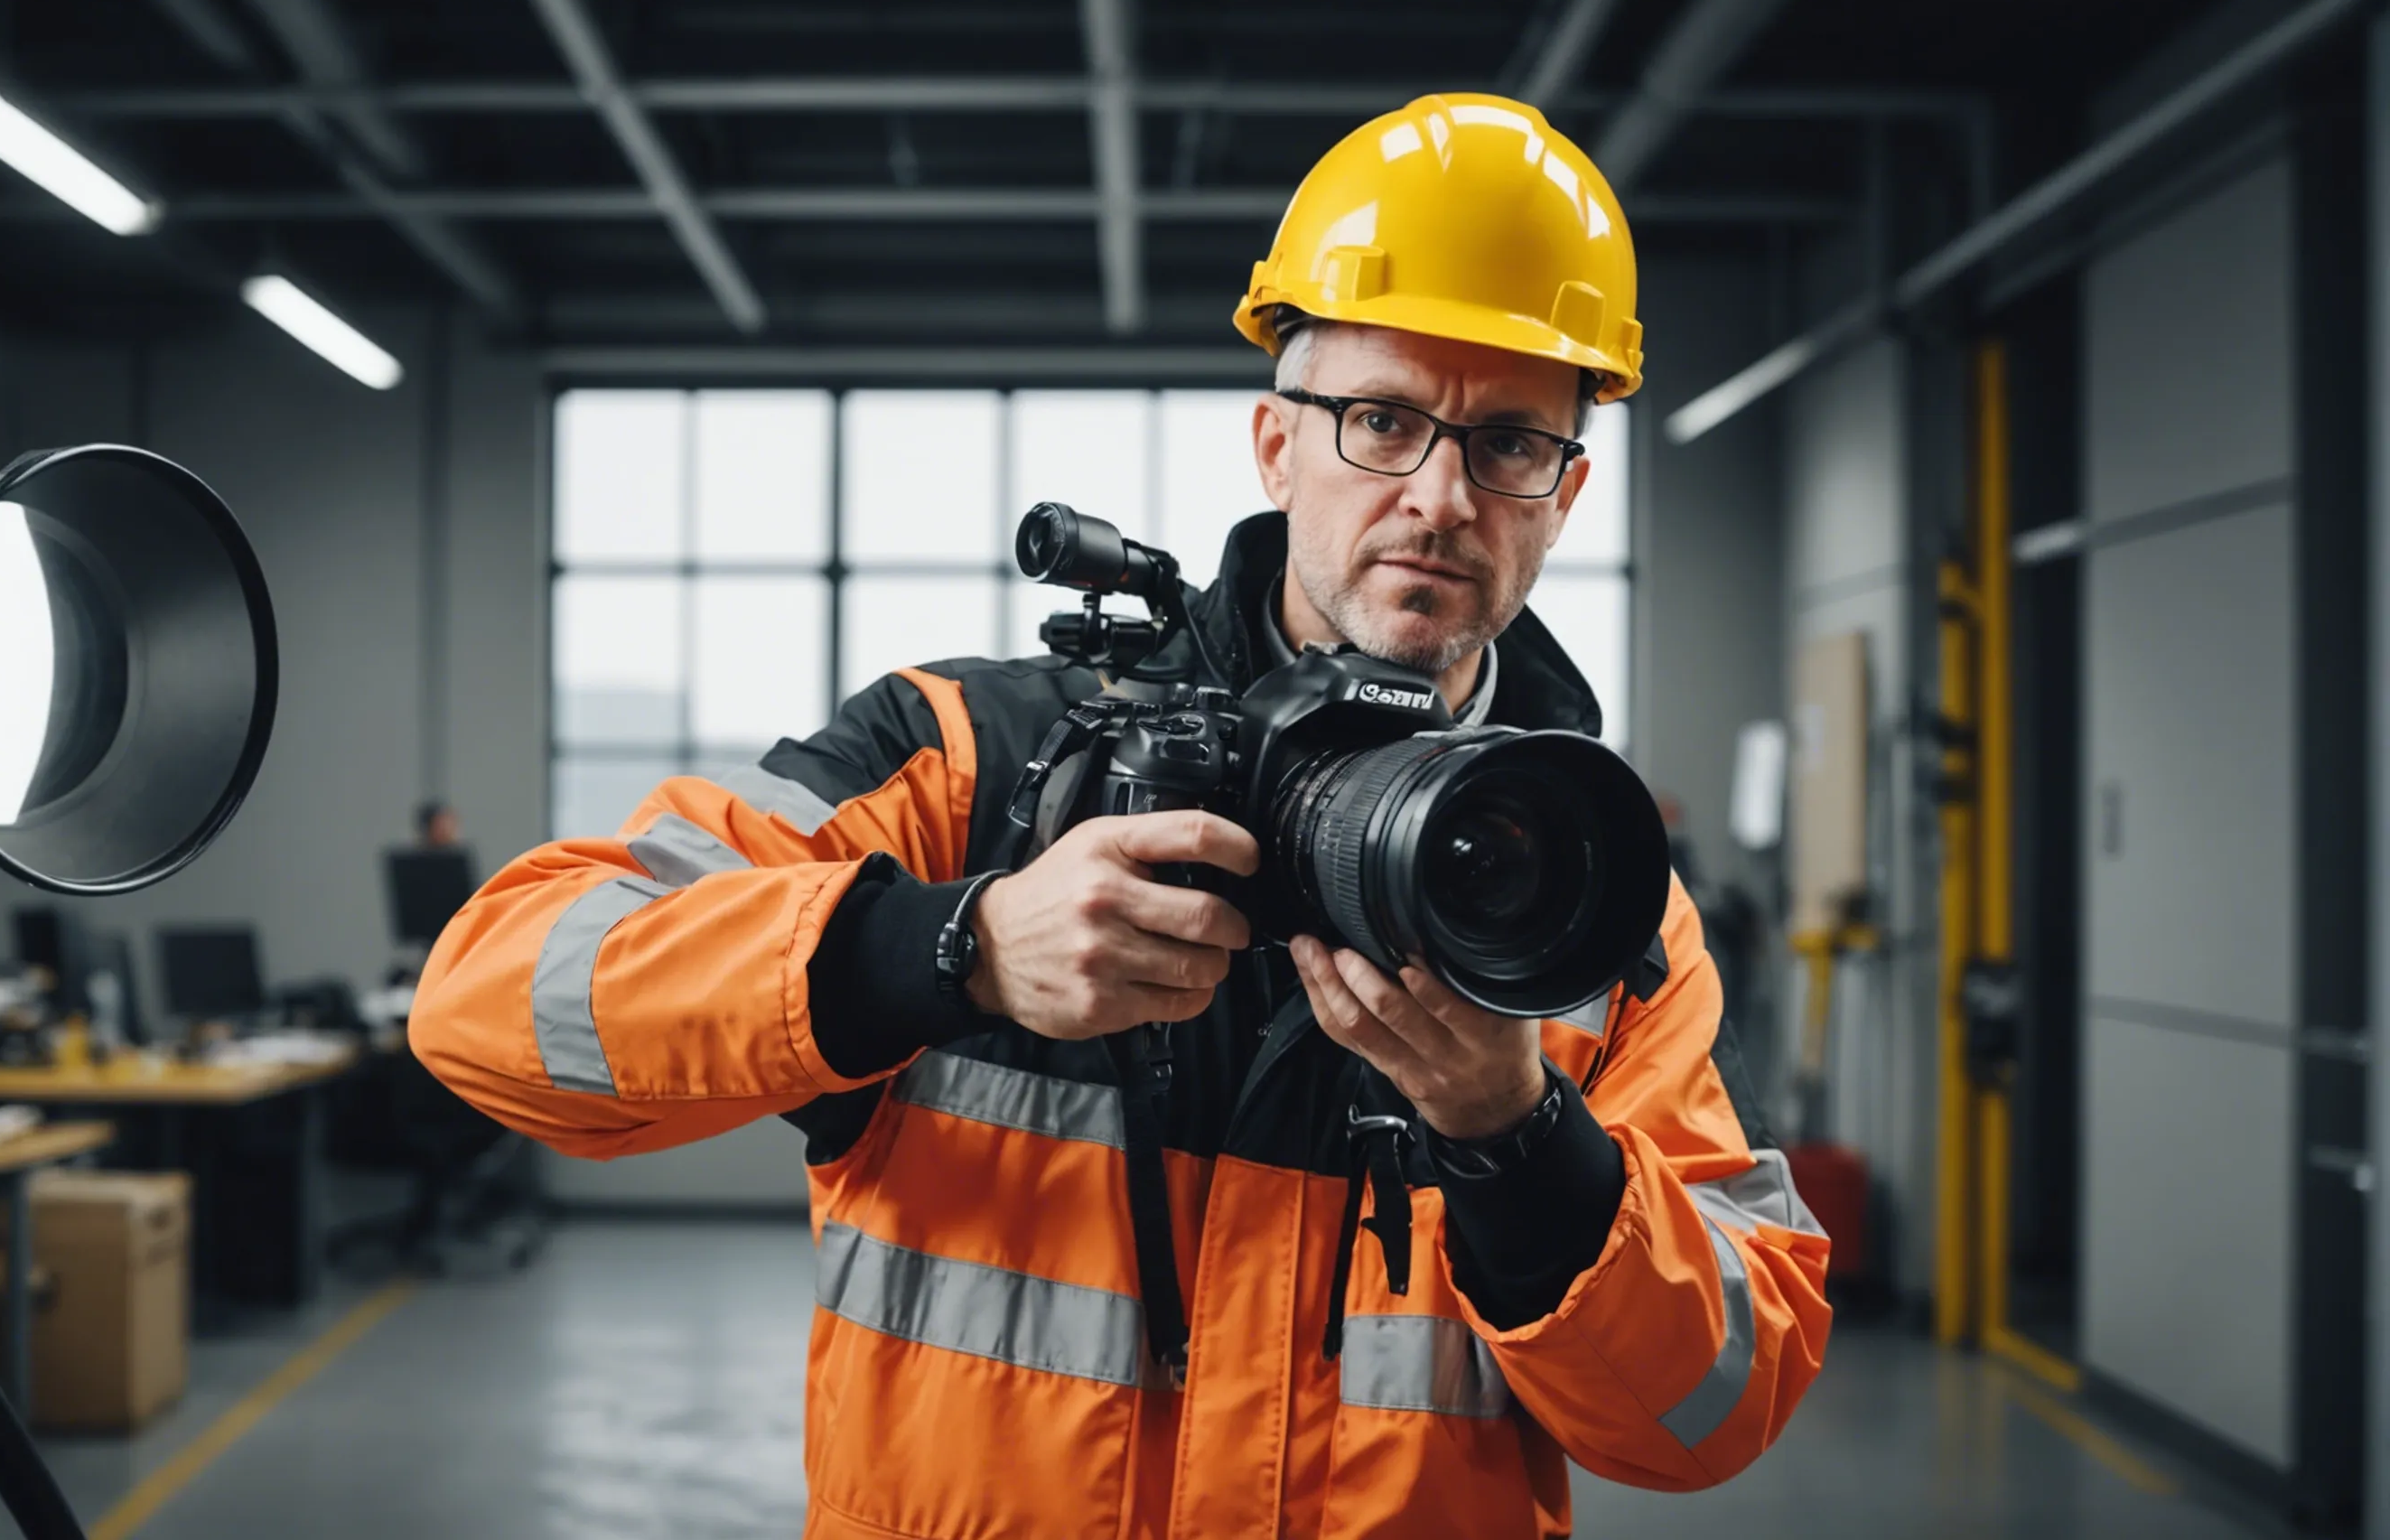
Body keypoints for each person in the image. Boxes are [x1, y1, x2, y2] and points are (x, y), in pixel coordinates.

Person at [411, 94, 1829, 1538]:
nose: (1441, 497)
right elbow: (490, 997)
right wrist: (948, 945)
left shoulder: (1595, 904)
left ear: (1567, 492)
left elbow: (1716, 1406)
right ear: (1279, 445)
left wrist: (1518, 1137)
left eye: (1511, 444)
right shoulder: (971, 766)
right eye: (1382, 420)